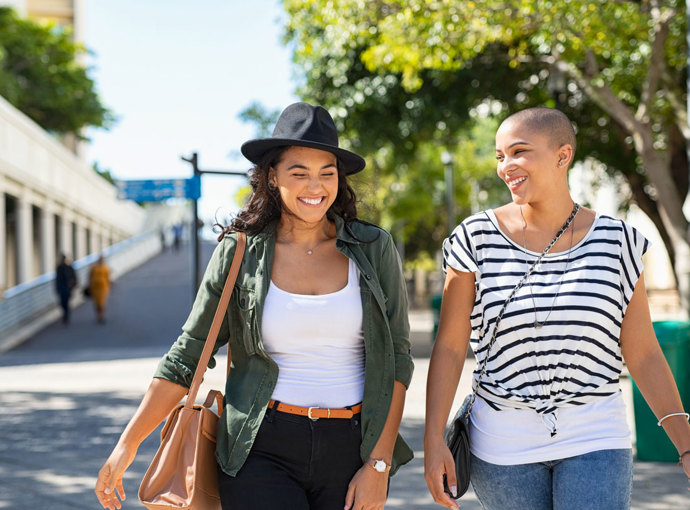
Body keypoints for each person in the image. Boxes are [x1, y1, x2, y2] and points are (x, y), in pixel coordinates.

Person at [95, 102, 414, 510]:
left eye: (327, 173)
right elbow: (187, 355)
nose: (315, 187)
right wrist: (127, 445)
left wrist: (379, 463)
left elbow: (398, 361)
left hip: (352, 446)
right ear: (272, 176)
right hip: (259, 446)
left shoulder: (373, 248)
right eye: (299, 173)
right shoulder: (239, 252)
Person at [424, 107, 690, 510]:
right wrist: (432, 443)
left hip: (595, 434)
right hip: (502, 444)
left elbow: (644, 352)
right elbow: (449, 347)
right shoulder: (475, 238)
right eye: (499, 156)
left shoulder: (619, 242)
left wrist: (685, 443)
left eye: (519, 152)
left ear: (562, 155)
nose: (506, 166)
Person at [89, 255, 111, 324]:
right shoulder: (94, 268)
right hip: (95, 288)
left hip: (103, 287)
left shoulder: (105, 268)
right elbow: (90, 277)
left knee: (102, 303)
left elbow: (108, 278)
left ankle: (101, 316)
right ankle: (98, 315)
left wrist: (109, 286)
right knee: (97, 303)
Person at [55, 253, 77, 324]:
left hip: (68, 288)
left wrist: (72, 286)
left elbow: (74, 277)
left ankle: (66, 316)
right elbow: (57, 279)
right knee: (62, 303)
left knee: (66, 302)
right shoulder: (59, 268)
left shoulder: (69, 268)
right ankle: (65, 315)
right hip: (62, 287)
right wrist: (57, 288)